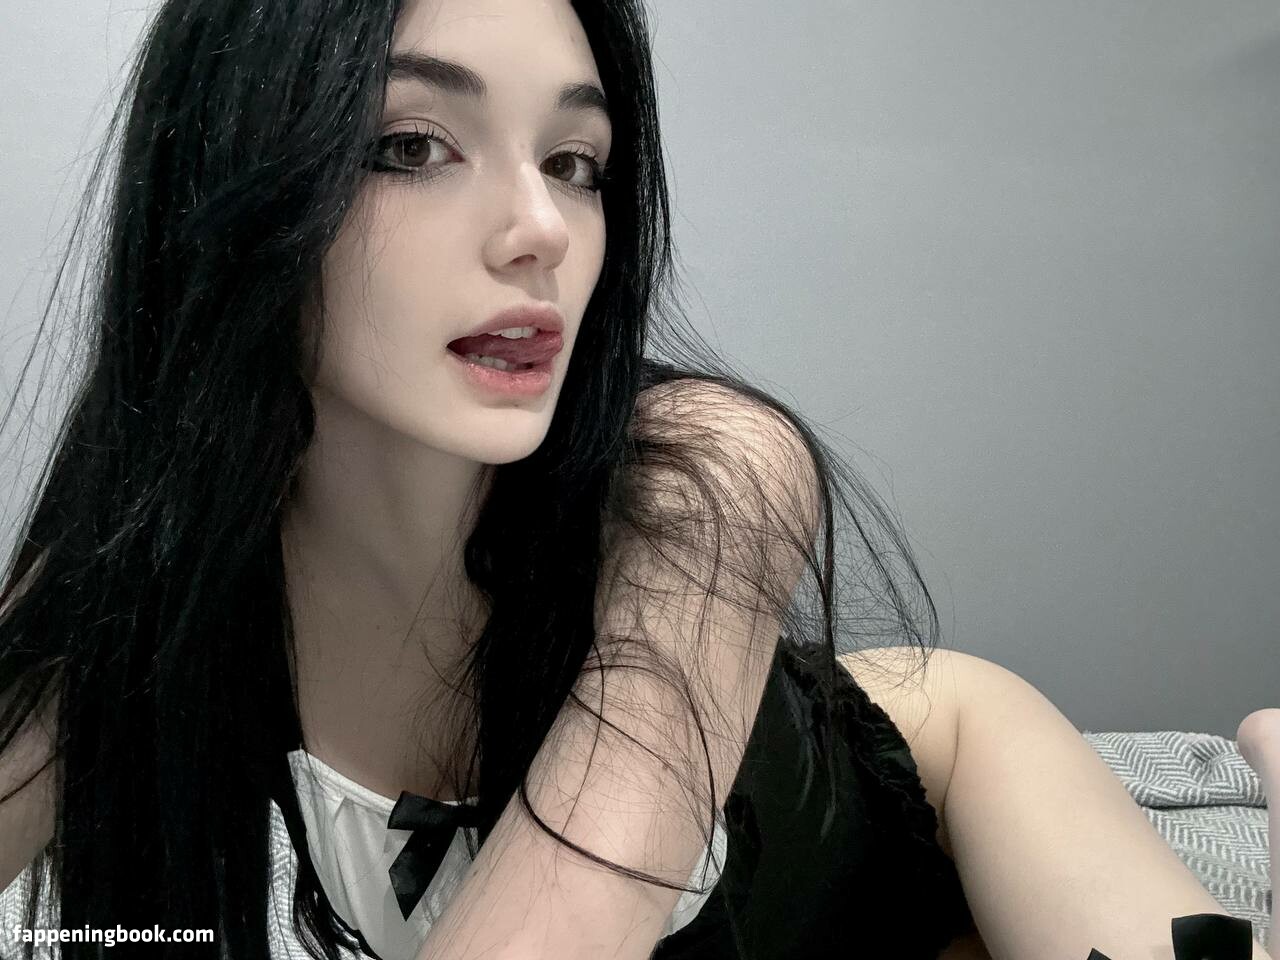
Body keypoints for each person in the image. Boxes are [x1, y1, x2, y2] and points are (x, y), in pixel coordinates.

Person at [0, 1, 1272, 959]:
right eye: (410, 144)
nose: (541, 231)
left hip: (937, 766)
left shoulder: (711, 473)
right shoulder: (130, 574)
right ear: (227, 185)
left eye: (575, 162)